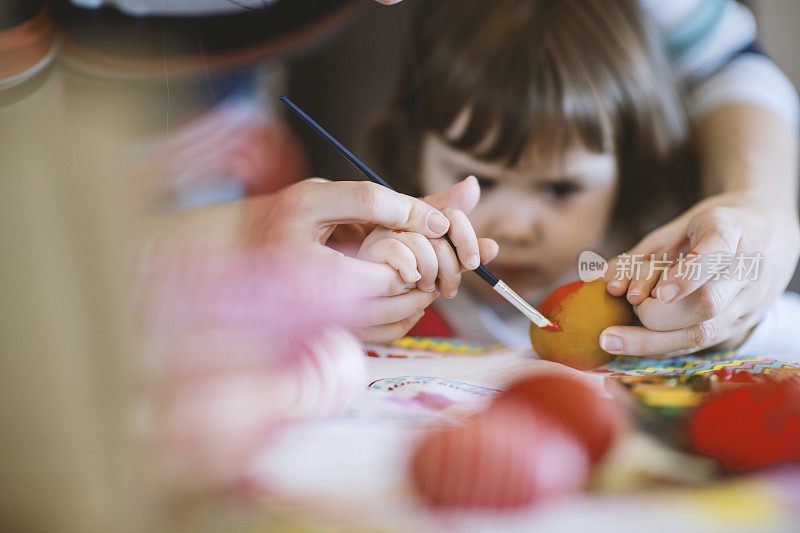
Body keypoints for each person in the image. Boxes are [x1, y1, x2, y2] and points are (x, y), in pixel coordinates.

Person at [357, 0, 800, 357]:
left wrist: (735, 321)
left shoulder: (660, 294)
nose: (515, 227)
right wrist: (361, 291)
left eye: (560, 189)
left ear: (630, 174)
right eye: (482, 181)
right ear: (413, 155)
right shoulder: (386, 279)